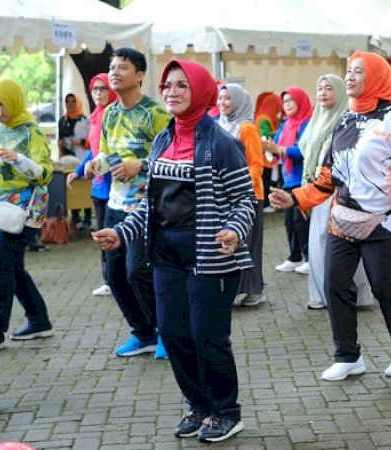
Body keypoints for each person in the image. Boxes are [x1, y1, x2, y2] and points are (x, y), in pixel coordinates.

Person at [93, 60, 255, 443]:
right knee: (173, 332)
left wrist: (233, 230)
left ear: (199, 91)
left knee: (207, 337)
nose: (172, 92)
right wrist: (121, 232)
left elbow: (244, 201)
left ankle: (226, 412)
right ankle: (198, 406)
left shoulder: (222, 143)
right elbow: (151, 207)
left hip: (209, 258)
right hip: (166, 256)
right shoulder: (163, 139)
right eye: (167, 86)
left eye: (182, 85)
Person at [269, 51, 391, 382]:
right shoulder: (344, 119)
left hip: (384, 220)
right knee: (334, 283)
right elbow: (328, 176)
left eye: (358, 72)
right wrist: (294, 198)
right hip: (344, 218)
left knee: (386, 288)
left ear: (377, 77)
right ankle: (348, 356)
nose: (350, 77)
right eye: (348, 71)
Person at [85, 47, 171, 358]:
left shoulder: (156, 113)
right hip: (115, 204)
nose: (114, 72)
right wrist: (98, 164)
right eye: (112, 67)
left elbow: (172, 158)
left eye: (122, 67)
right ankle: (143, 333)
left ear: (140, 75)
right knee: (115, 276)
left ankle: (167, 332)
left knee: (138, 271)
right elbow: (110, 154)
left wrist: (141, 165)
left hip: (146, 207)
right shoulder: (109, 113)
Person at [0, 78, 54, 350]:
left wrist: (20, 161)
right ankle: (39, 321)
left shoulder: (31, 132)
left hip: (25, 213)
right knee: (13, 266)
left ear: (13, 100)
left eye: (0, 102)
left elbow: (45, 174)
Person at [300, 74, 372, 310]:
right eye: (319, 88)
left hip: (341, 190)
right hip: (317, 188)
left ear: (340, 92)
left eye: (329, 88)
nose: (323, 92)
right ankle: (321, 295)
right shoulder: (315, 121)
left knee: (348, 242)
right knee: (318, 242)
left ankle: (358, 295)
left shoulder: (348, 120)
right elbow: (307, 158)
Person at [67, 74, 117, 297]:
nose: (98, 93)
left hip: (114, 186)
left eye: (103, 88)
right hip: (98, 187)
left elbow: (115, 152)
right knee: (103, 235)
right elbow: (93, 151)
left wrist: (96, 166)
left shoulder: (114, 116)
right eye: (95, 89)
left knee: (111, 236)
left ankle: (114, 280)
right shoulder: (95, 117)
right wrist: (77, 172)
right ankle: (110, 279)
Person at [217, 83, 265, 306]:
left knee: (249, 244)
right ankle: (235, 288)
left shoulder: (246, 128)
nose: (222, 103)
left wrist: (241, 186)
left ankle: (255, 289)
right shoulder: (219, 126)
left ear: (238, 102)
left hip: (249, 196)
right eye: (220, 98)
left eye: (228, 99)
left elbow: (257, 164)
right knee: (232, 243)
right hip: (225, 197)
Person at [262, 87, 312, 274]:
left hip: (303, 180)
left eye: (292, 100)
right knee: (289, 221)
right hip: (287, 180)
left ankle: (309, 258)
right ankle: (295, 256)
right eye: (285, 101)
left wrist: (279, 150)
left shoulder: (307, 124)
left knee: (301, 221)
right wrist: (267, 146)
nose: (288, 104)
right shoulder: (285, 124)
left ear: (301, 101)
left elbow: (302, 151)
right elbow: (276, 145)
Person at [58, 93, 92, 230]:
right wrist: (60, 144)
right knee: (72, 188)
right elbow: (60, 137)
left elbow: (92, 142)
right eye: (68, 101)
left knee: (85, 187)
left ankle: (88, 216)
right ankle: (75, 216)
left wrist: (81, 142)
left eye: (73, 101)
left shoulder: (85, 120)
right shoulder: (62, 120)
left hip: (83, 156)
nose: (70, 104)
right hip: (68, 159)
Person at [254, 92, 284, 213]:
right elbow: (264, 134)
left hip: (268, 155)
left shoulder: (269, 117)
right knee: (267, 180)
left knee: (269, 179)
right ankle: (266, 204)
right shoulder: (263, 118)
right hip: (265, 156)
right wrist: (281, 132)